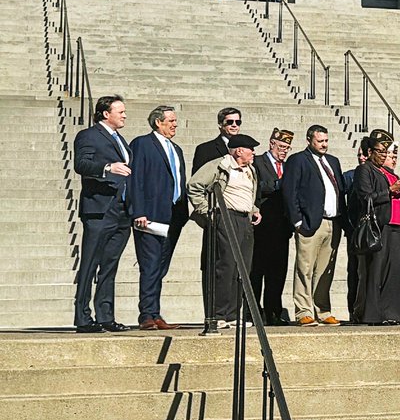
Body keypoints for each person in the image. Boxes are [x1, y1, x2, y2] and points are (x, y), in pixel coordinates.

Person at [72, 95, 134, 333]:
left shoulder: (120, 139)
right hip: (99, 209)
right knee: (90, 264)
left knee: (110, 264)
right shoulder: (88, 135)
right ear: (106, 113)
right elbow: (81, 164)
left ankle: (106, 315)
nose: (125, 115)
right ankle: (83, 318)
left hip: (121, 209)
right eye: (120, 112)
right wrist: (107, 168)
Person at [187, 134, 262, 328]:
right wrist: (208, 212)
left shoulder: (250, 170)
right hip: (225, 217)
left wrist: (254, 210)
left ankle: (232, 315)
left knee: (242, 268)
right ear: (239, 151)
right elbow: (194, 186)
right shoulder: (220, 165)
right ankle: (218, 314)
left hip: (244, 220)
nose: (253, 153)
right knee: (226, 265)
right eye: (250, 149)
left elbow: (246, 194)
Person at [128, 105, 187, 330]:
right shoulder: (142, 144)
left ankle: (156, 312)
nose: (175, 124)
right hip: (150, 215)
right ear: (158, 122)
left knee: (161, 267)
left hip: (173, 216)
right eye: (171, 120)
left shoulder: (176, 149)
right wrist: (139, 211)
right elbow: (136, 180)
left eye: (175, 120)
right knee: (150, 264)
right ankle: (146, 315)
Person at [282, 124, 345, 326]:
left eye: (326, 140)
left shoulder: (333, 161)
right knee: (305, 268)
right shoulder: (298, 160)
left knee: (325, 269)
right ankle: (303, 311)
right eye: (320, 141)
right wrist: (298, 220)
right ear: (309, 140)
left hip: (332, 222)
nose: (324, 144)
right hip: (310, 223)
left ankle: (323, 310)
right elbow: (290, 191)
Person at [353, 132, 400, 325]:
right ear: (370, 152)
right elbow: (365, 197)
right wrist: (390, 191)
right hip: (378, 225)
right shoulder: (365, 170)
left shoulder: (387, 173)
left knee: (394, 272)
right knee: (375, 271)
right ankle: (371, 314)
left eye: (386, 152)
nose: (383, 155)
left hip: (395, 225)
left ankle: (391, 313)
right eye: (379, 152)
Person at [251, 128, 294, 325]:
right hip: (261, 225)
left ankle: (274, 311)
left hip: (282, 227)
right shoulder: (258, 162)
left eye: (287, 148)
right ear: (272, 144)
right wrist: (278, 185)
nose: (284, 151)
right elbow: (256, 186)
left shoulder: (287, 166)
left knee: (277, 272)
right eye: (281, 147)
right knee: (257, 271)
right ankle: (253, 310)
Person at [340, 137, 370, 323]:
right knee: (355, 271)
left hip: (373, 230)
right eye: (359, 154)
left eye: (364, 154)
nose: (361, 158)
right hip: (355, 231)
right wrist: (346, 224)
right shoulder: (350, 176)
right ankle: (354, 310)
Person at [192, 107, 243, 173]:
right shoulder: (204, 149)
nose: (234, 125)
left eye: (238, 122)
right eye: (230, 122)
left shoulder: (246, 148)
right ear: (220, 124)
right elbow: (197, 178)